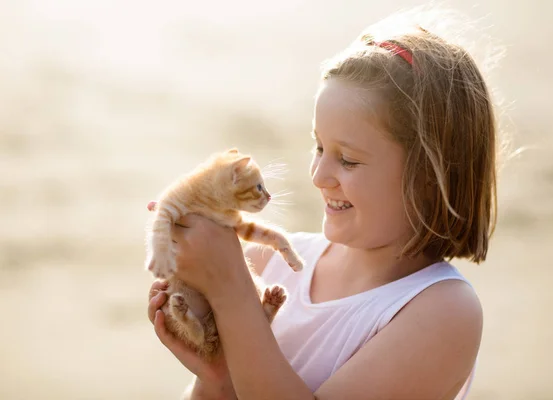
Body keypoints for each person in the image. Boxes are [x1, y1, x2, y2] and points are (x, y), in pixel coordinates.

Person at [147, 8, 498, 400]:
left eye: (347, 159)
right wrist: (214, 376)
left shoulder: (444, 311)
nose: (318, 176)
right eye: (318, 147)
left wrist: (230, 289)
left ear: (430, 177)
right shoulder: (271, 264)